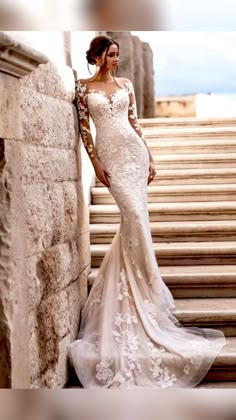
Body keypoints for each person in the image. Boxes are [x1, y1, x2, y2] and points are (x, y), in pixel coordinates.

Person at [68, 35, 226, 388]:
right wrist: (95, 164)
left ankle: (145, 289)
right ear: (96, 56)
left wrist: (149, 155)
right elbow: (84, 131)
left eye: (117, 55)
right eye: (110, 55)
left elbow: (135, 123)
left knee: (136, 223)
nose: (116, 60)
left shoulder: (126, 85)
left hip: (134, 156)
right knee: (134, 221)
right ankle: (144, 285)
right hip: (110, 157)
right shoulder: (82, 88)